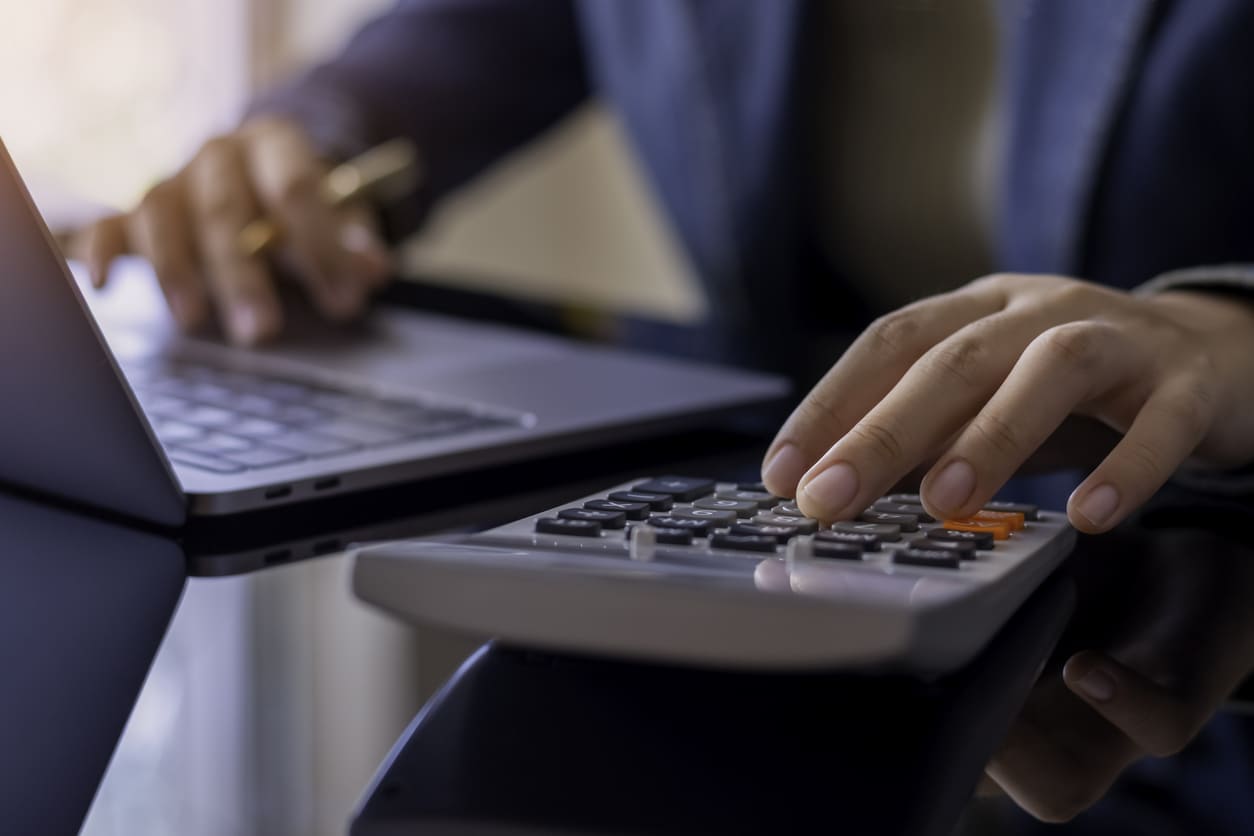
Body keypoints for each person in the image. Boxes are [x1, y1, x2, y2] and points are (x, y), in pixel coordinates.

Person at [76, 0, 1254, 823]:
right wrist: (303, 149)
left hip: (1174, 637)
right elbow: (476, 34)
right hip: (795, 584)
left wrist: (1230, 326)